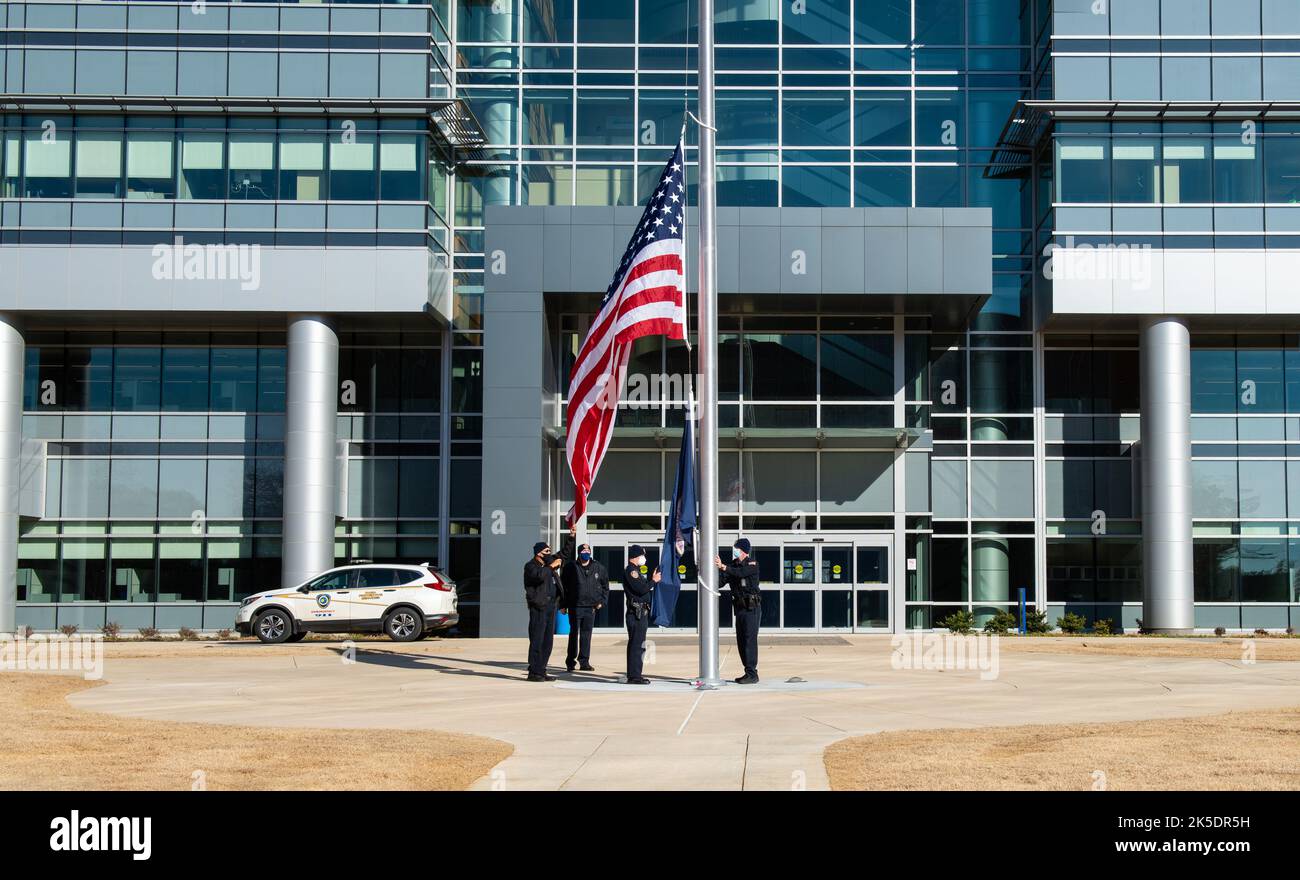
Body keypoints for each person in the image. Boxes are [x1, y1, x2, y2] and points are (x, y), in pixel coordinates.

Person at [522, 527, 574, 682]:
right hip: (539, 607)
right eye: (546, 552)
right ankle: (534, 672)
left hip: (551, 607)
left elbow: (564, 553)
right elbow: (538, 577)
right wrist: (551, 567)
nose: (549, 554)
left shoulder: (548, 562)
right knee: (537, 640)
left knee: (547, 641)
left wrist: (571, 536)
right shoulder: (531, 566)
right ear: (539, 553)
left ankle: (542, 669)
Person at [714, 538, 761, 684]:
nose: (734, 550)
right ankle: (747, 671)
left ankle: (752, 673)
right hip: (739, 608)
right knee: (741, 641)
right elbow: (720, 582)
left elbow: (741, 573)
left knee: (749, 640)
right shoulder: (732, 566)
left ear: (743, 550)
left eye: (736, 548)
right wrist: (711, 570)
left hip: (751, 607)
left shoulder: (752, 564)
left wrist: (723, 567)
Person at [561, 541, 609, 672]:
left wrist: (601, 602)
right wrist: (563, 605)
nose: (586, 554)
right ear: (578, 553)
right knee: (573, 634)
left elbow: (605, 586)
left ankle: (584, 662)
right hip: (575, 606)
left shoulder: (598, 567)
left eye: (588, 552)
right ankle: (570, 662)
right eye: (583, 552)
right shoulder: (571, 567)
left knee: (586, 635)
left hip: (591, 607)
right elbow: (563, 587)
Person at [623, 544, 659, 685]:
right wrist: (653, 580)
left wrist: (651, 579)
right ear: (635, 557)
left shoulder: (636, 571)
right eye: (642, 555)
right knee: (636, 645)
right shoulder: (631, 571)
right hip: (636, 613)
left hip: (641, 612)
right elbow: (641, 589)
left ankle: (636, 674)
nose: (643, 558)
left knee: (639, 645)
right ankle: (634, 676)